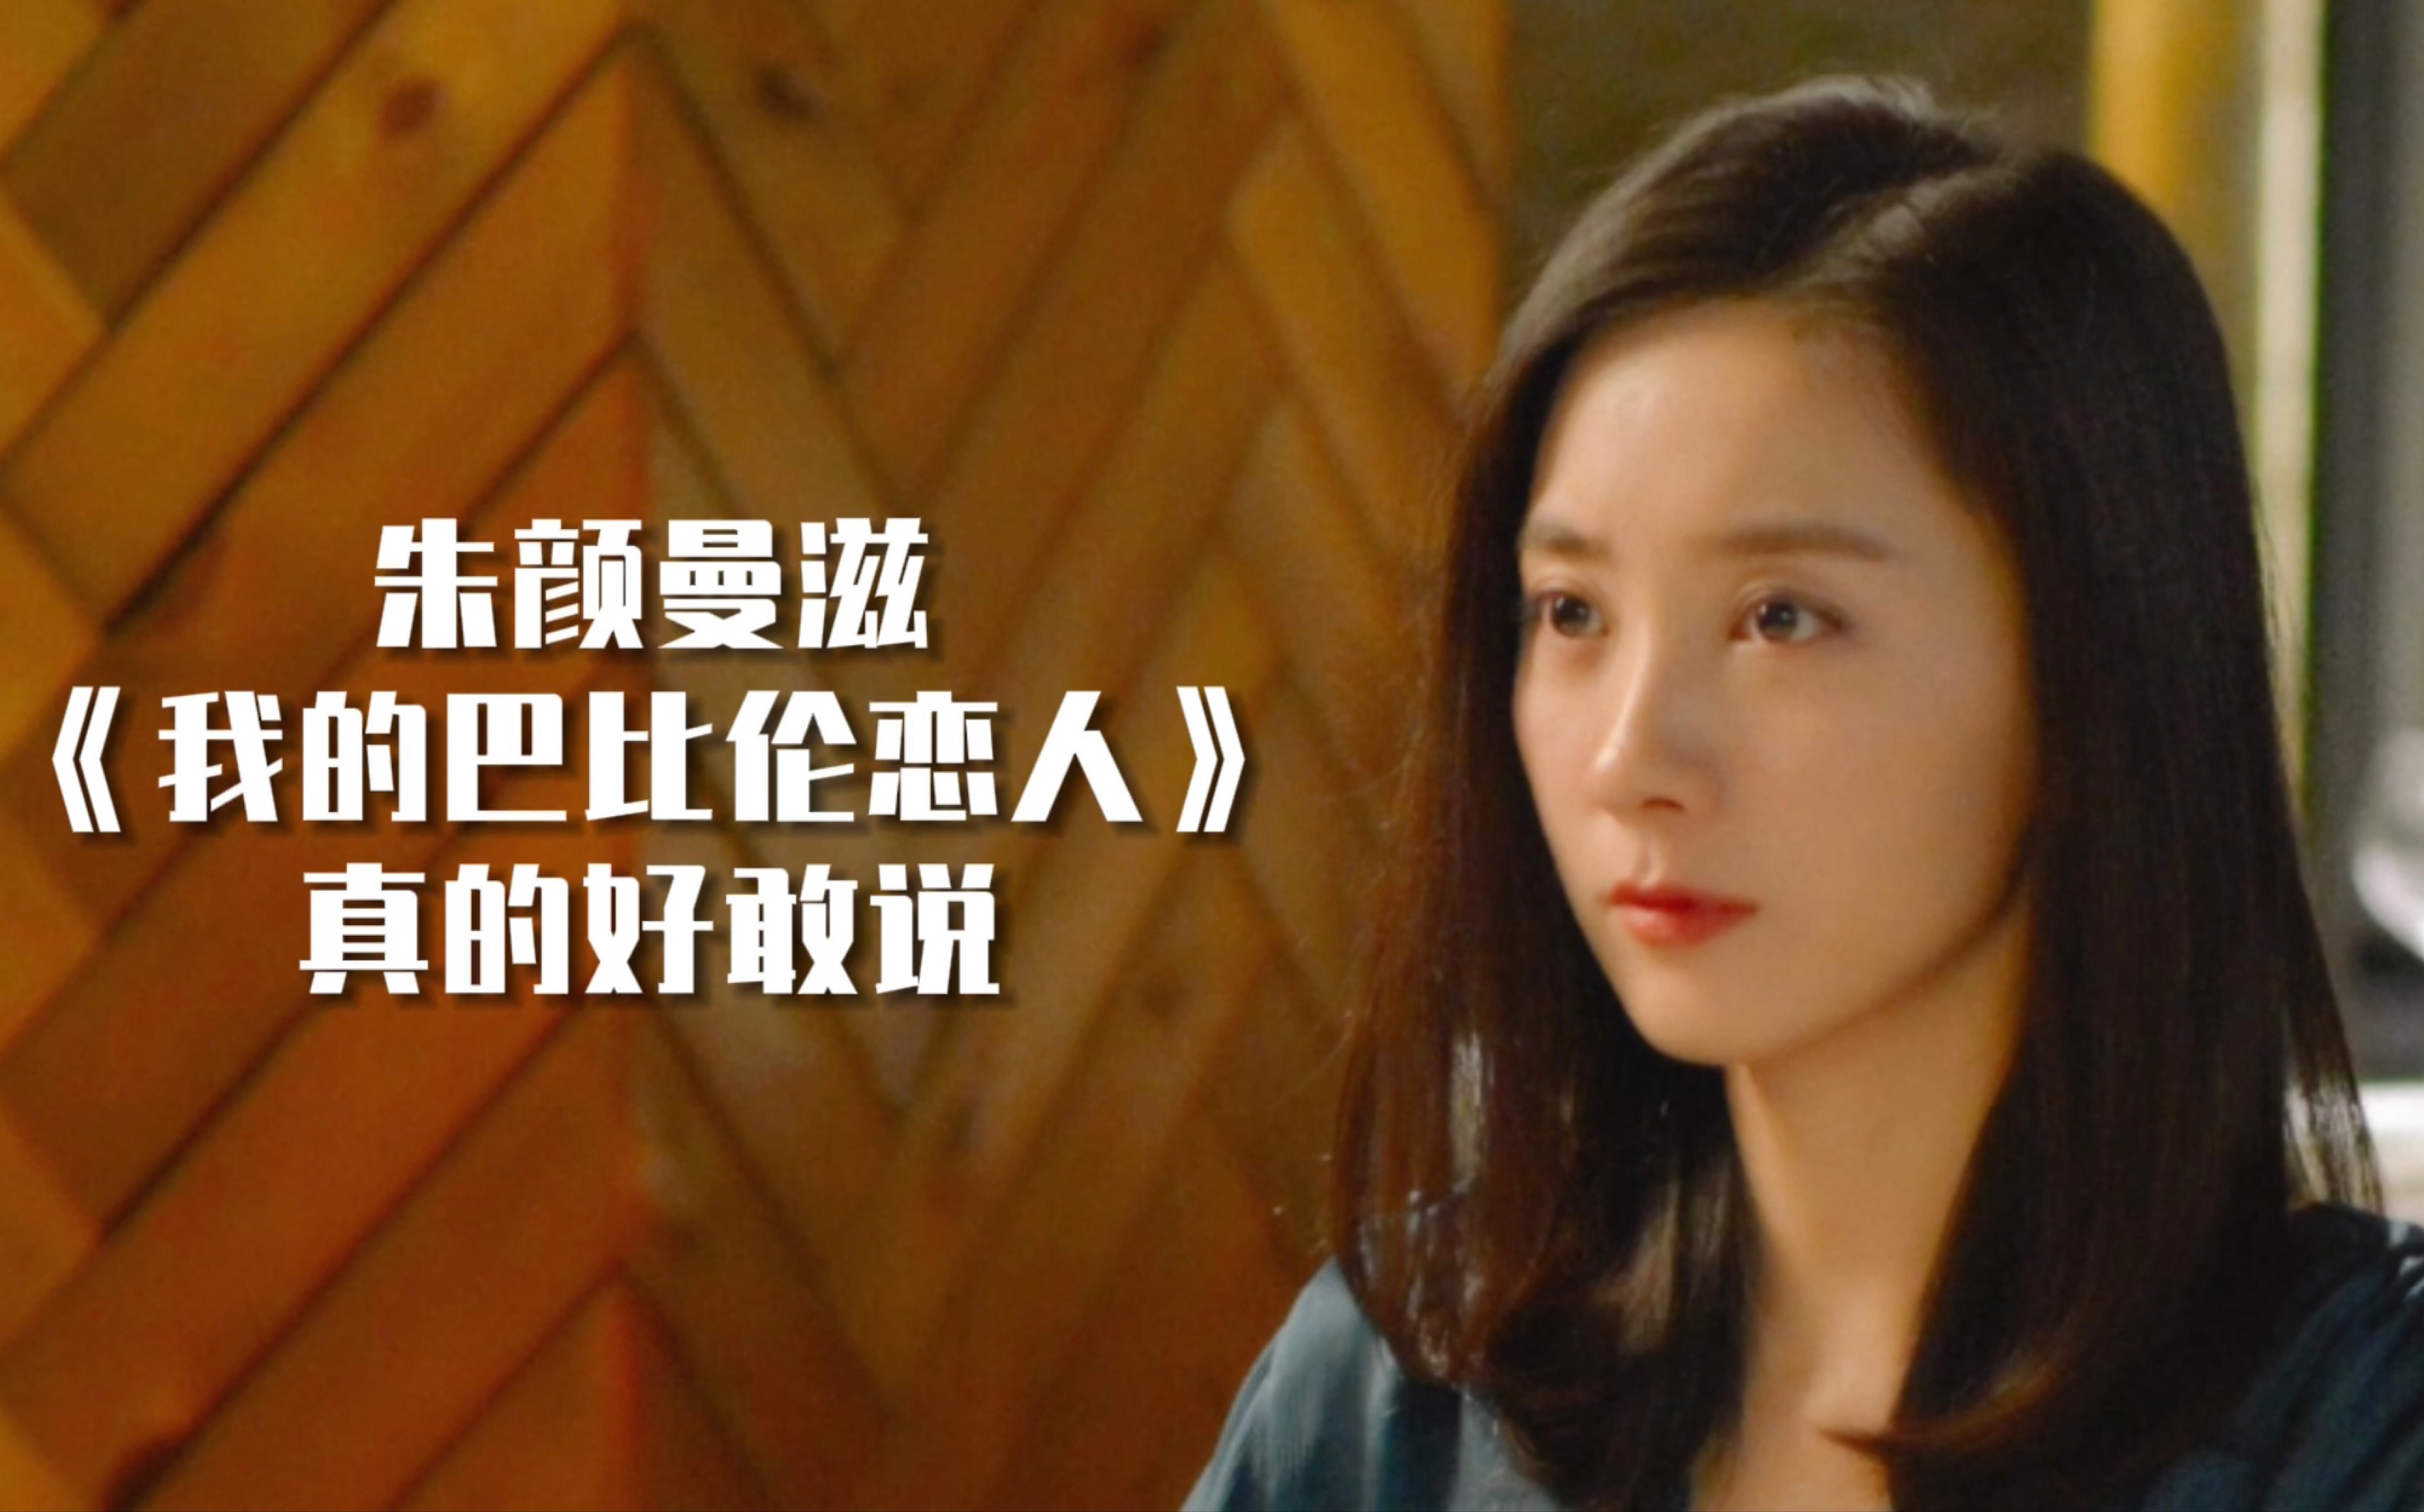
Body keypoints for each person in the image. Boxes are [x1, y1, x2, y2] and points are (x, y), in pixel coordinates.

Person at [1183, 77, 2424, 1511]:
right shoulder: (1404, 1386)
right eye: (1572, 612)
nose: (1629, 758)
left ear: (2093, 662)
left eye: (1780, 618)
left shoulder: (2363, 1431)